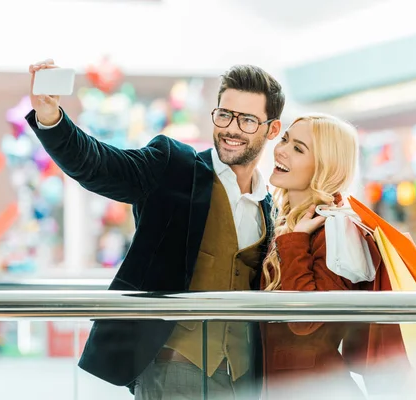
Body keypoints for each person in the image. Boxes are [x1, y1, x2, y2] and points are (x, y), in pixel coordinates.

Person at [26, 59, 284, 399]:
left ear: (272, 129)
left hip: (245, 379)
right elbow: (97, 165)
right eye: (225, 115)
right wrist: (51, 118)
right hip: (172, 371)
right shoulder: (173, 166)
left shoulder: (271, 207)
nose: (231, 129)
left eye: (248, 120)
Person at [260, 114, 380, 399]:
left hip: (315, 389)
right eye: (285, 139)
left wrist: (296, 241)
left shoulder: (336, 229)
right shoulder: (281, 221)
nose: (281, 150)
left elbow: (306, 322)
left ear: (325, 167)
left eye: (299, 149)